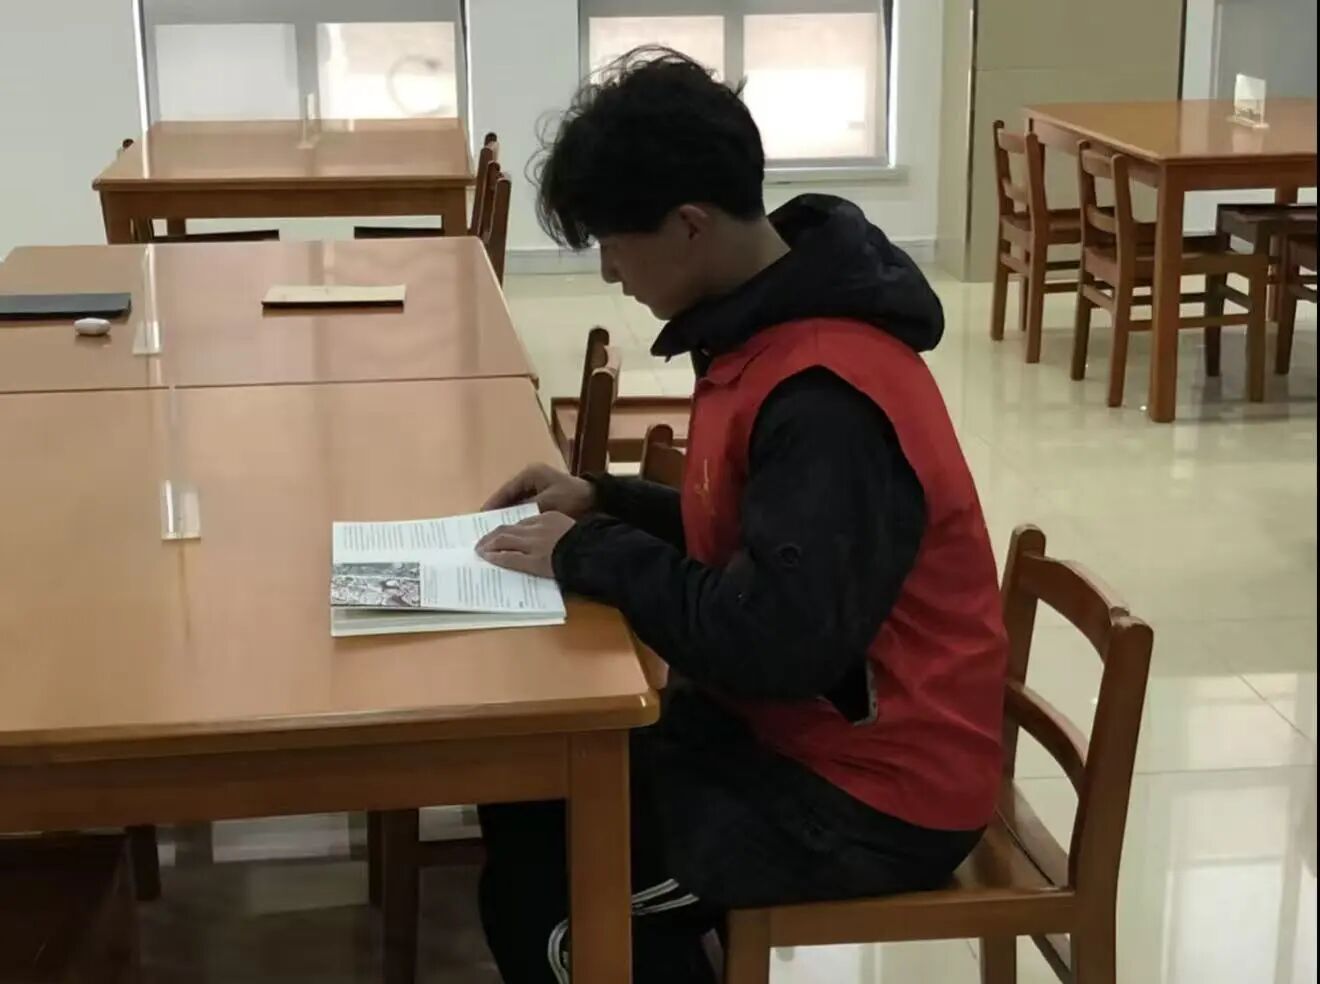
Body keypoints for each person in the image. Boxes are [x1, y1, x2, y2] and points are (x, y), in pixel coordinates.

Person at [472, 48, 1008, 984]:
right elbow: (759, 541)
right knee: (524, 787)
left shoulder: (828, 396)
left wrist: (593, 551)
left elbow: (773, 644)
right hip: (784, 736)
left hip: (867, 795)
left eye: (614, 243)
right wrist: (607, 499)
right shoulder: (764, 330)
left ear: (689, 225)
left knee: (557, 911)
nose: (610, 272)